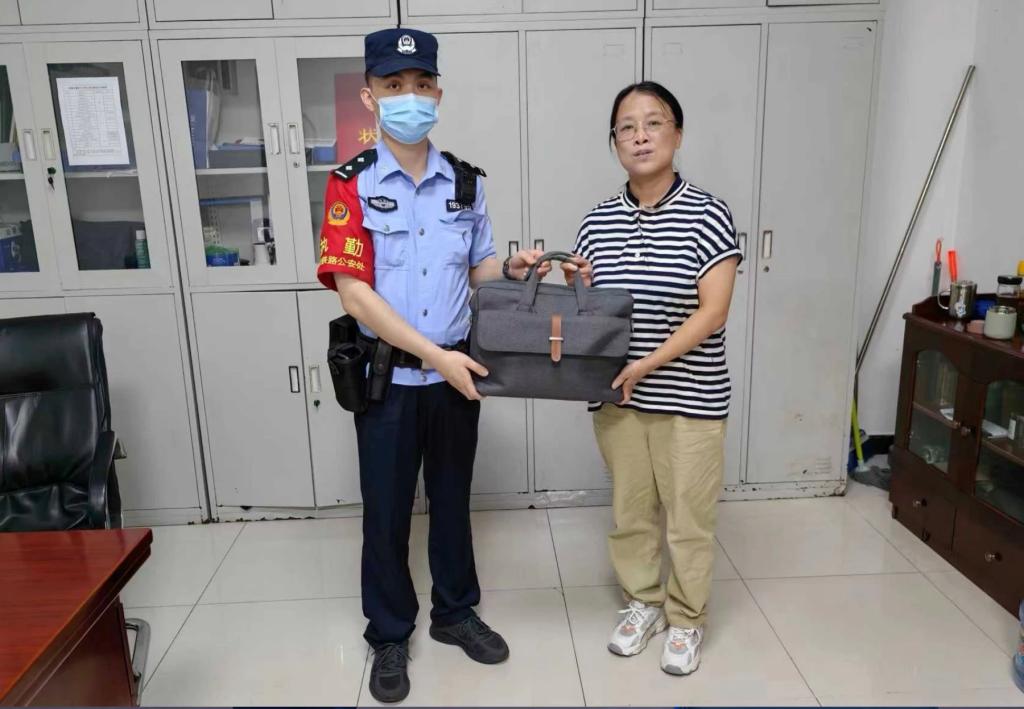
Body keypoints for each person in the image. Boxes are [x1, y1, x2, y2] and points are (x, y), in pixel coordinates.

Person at [316, 28, 546, 703]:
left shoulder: (465, 183)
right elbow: (354, 293)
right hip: (388, 380)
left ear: (438, 93)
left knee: (451, 502)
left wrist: (510, 268)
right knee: (386, 513)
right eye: (393, 86)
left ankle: (454, 612)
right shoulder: (350, 183)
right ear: (370, 96)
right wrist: (437, 356)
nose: (408, 97)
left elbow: (477, 269)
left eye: (420, 85)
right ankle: (389, 633)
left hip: (454, 377)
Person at [561, 81, 741, 676]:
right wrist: (576, 286)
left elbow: (713, 312)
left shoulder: (708, 214)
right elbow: (593, 312)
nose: (639, 136)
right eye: (627, 127)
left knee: (688, 520)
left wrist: (645, 364)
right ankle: (643, 603)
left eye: (653, 123)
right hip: (618, 399)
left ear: (677, 135)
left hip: (689, 397)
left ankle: (686, 618)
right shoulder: (597, 221)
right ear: (614, 142)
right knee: (631, 513)